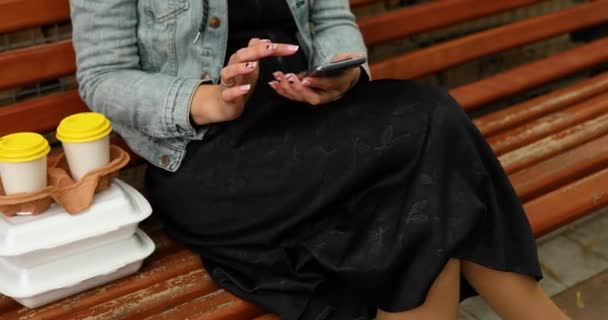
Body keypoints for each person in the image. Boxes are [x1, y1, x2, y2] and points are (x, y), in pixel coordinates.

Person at [69, 0, 569, 319]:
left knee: (419, 166)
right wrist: (206, 99)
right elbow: (102, 75)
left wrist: (343, 75)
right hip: (210, 154)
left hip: (318, 124)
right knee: (428, 135)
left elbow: (331, 19)